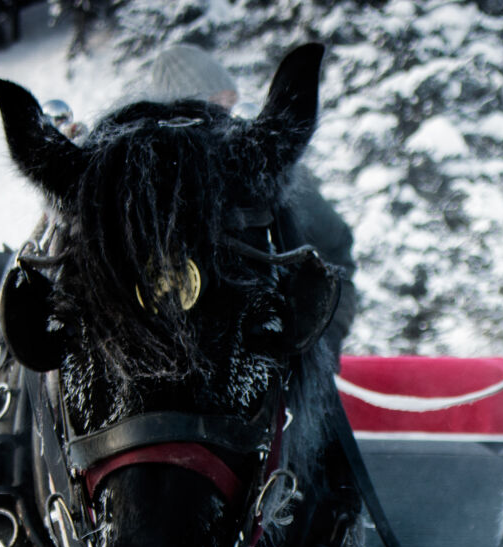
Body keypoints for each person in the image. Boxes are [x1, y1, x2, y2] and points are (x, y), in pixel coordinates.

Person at [133, 44, 357, 356]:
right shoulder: (137, 192)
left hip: (273, 363)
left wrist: (323, 336)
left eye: (229, 105)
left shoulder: (262, 172)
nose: (225, 119)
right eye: (213, 107)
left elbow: (336, 246)